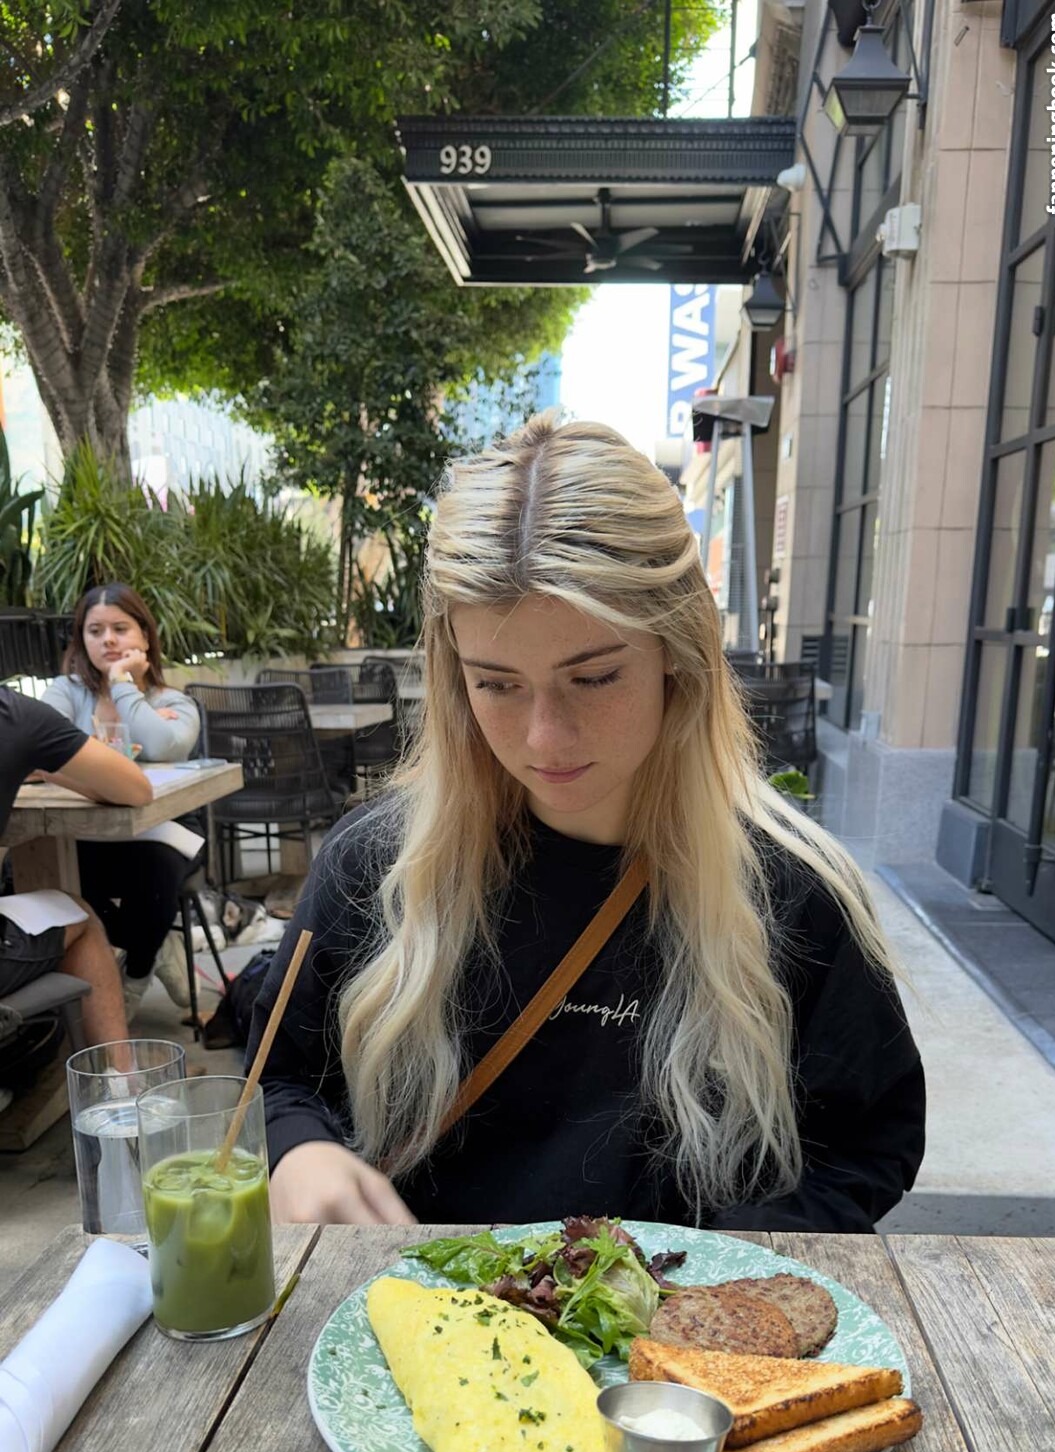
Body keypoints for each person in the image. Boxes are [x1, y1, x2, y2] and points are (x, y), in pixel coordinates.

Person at [251, 413, 925, 1233]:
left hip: (677, 1314)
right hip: (417, 1307)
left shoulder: (792, 892)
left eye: (595, 677)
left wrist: (726, 1272)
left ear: (678, 652)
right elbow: (275, 1079)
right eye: (496, 684)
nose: (544, 738)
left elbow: (866, 1145)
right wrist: (298, 1152)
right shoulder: (376, 867)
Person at [41, 583, 203, 1014]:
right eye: (95, 631)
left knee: (154, 871)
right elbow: (40, 747)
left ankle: (136, 971)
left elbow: (166, 747)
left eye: (120, 628)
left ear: (145, 636)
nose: (108, 640)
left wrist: (122, 685)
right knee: (41, 870)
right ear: (82, 640)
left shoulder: (171, 700)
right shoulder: (66, 692)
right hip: (85, 832)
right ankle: (151, 945)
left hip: (166, 829)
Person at [0, 685, 152, 1061]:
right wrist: (46, 765)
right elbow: (136, 789)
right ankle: (121, 1082)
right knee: (77, 914)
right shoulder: (15, 714)